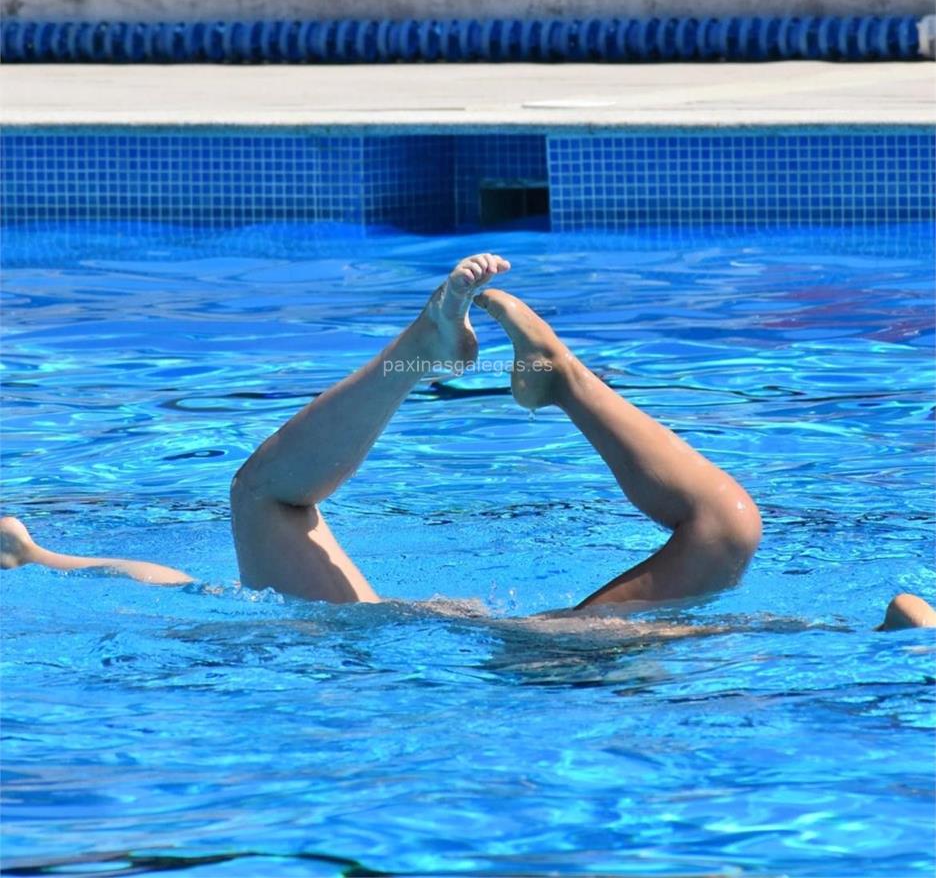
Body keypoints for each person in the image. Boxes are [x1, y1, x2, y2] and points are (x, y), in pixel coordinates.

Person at [3, 254, 934, 632]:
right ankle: (540, 377)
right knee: (726, 529)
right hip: (521, 653)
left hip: (516, 653)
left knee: (258, 510)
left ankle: (472, 365)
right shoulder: (794, 665)